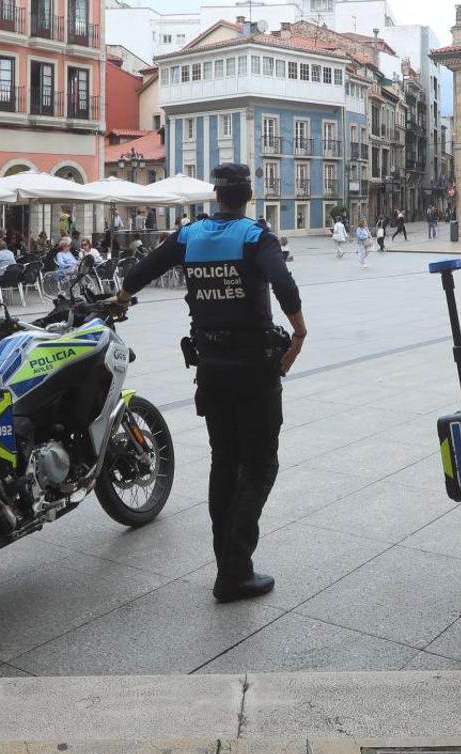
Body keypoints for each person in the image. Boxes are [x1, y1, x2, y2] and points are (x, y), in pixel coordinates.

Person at [111, 162, 307, 604]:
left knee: (224, 463)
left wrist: (121, 298)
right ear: (248, 195)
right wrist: (299, 333)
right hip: (255, 371)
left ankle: (229, 567)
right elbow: (284, 285)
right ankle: (235, 570)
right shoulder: (256, 236)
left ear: (216, 197)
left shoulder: (189, 235)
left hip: (211, 369)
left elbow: (142, 270)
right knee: (259, 466)